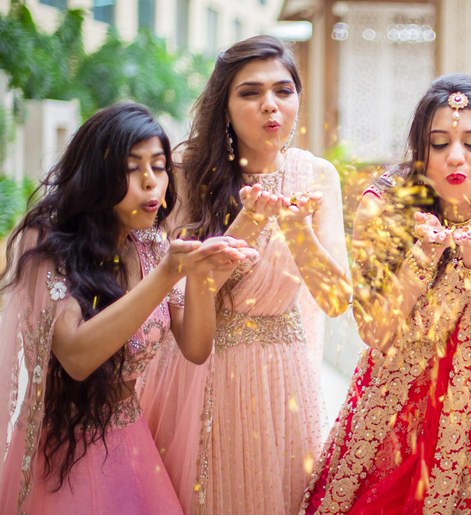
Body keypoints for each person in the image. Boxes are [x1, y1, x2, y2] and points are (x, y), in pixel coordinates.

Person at [302, 74, 471, 514]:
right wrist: (421, 258)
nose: (455, 156)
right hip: (388, 421)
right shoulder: (386, 205)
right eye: (439, 144)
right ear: (421, 147)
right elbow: (375, 332)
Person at [0, 103, 254, 514]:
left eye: (159, 166)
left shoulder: (150, 244)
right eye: (133, 168)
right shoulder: (49, 243)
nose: (151, 182)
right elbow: (77, 358)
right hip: (66, 453)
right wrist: (167, 275)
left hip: (130, 439)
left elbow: (195, 348)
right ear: (98, 175)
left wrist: (202, 278)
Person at [139, 35, 351, 514]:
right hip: (202, 370)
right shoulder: (187, 174)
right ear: (226, 107)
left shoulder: (317, 176)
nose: (270, 105)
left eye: (283, 91)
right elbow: (176, 292)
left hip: (282, 375)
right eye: (251, 93)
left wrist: (298, 231)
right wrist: (249, 222)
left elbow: (337, 299)